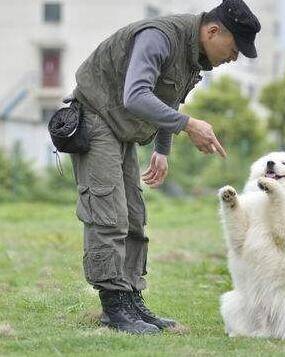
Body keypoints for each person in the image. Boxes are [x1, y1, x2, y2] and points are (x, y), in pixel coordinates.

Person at [70, 0, 261, 334]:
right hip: (96, 119)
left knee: (133, 217)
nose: (234, 58)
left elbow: (167, 96)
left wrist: (162, 148)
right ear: (213, 31)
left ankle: (131, 301)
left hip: (123, 130)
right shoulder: (159, 37)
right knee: (108, 213)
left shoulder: (192, 54)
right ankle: (114, 309)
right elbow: (136, 95)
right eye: (234, 49)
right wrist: (188, 125)